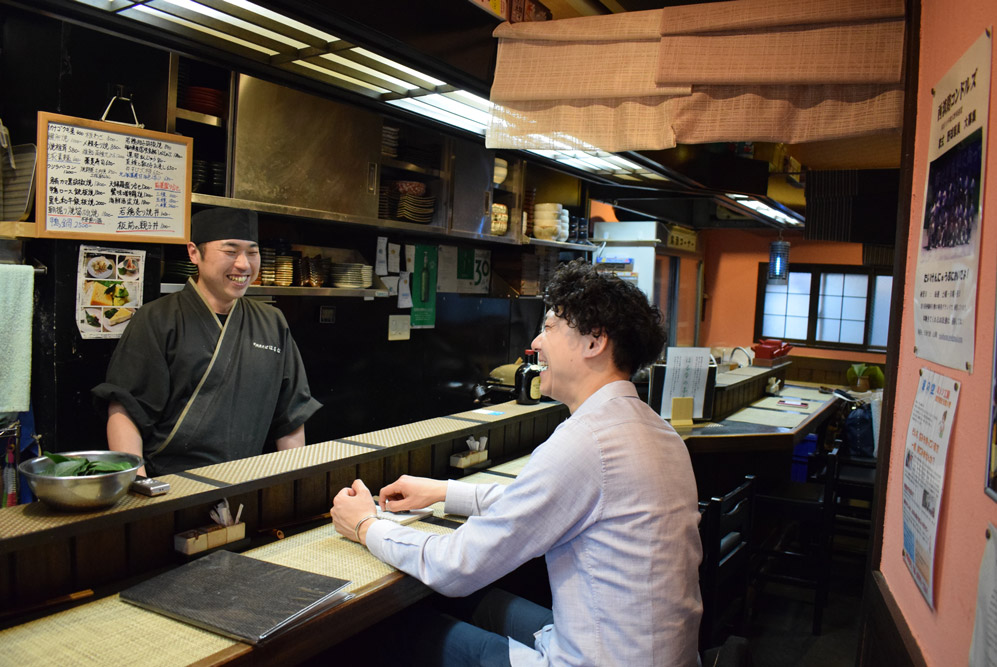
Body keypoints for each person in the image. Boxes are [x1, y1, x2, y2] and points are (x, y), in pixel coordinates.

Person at [331, 259, 702, 666]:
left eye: (550, 327)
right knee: (477, 602)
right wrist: (444, 492)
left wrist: (365, 525)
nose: (536, 342)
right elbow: (543, 502)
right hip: (648, 653)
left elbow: (456, 566)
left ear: (594, 341)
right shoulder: (655, 430)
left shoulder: (587, 442)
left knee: (396, 630)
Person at [92, 207, 321, 476]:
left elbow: (290, 416)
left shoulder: (272, 322)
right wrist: (139, 485)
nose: (244, 264)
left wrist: (292, 481)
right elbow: (125, 410)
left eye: (252, 252)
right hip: (172, 484)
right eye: (230, 251)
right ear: (194, 253)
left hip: (247, 479)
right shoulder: (157, 319)